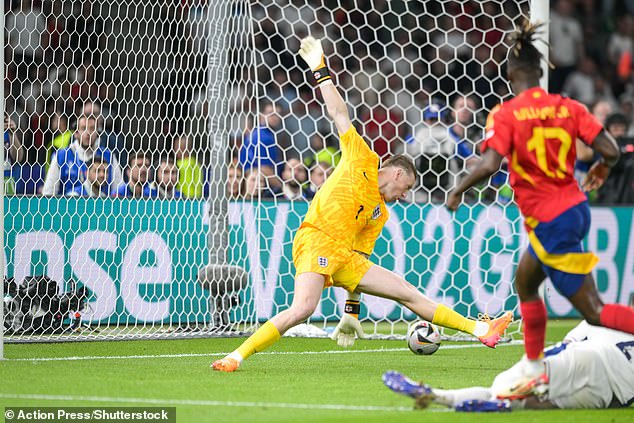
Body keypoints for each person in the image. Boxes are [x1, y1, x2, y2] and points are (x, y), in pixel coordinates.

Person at [211, 36, 512, 373]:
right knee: (303, 308)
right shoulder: (362, 158)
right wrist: (320, 71)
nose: (404, 195)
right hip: (317, 239)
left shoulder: (380, 211)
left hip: (343, 255)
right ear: (397, 173)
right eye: (406, 187)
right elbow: (339, 113)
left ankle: (481, 329)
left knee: (407, 292)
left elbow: (359, 260)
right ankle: (236, 356)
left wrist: (351, 314)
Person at [446, 21, 634, 396]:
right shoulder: (568, 107)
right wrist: (599, 167)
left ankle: (534, 369)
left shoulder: (508, 114)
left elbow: (488, 165)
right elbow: (611, 150)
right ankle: (534, 367)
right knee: (526, 282)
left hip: (550, 219)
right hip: (573, 209)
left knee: (594, 311)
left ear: (511, 74)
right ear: (540, 71)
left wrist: (456, 191)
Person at [383, 320, 634, 411]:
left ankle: (436, 394)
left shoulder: (614, 320)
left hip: (590, 358)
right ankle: (499, 405)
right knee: (530, 404)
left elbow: (569, 344)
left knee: (504, 385)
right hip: (611, 395)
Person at [43, 114, 123, 196]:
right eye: (83, 128)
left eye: (92, 129)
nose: (88, 133)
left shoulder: (109, 156)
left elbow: (119, 193)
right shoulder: (62, 156)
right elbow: (48, 192)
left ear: (98, 132)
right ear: (75, 133)